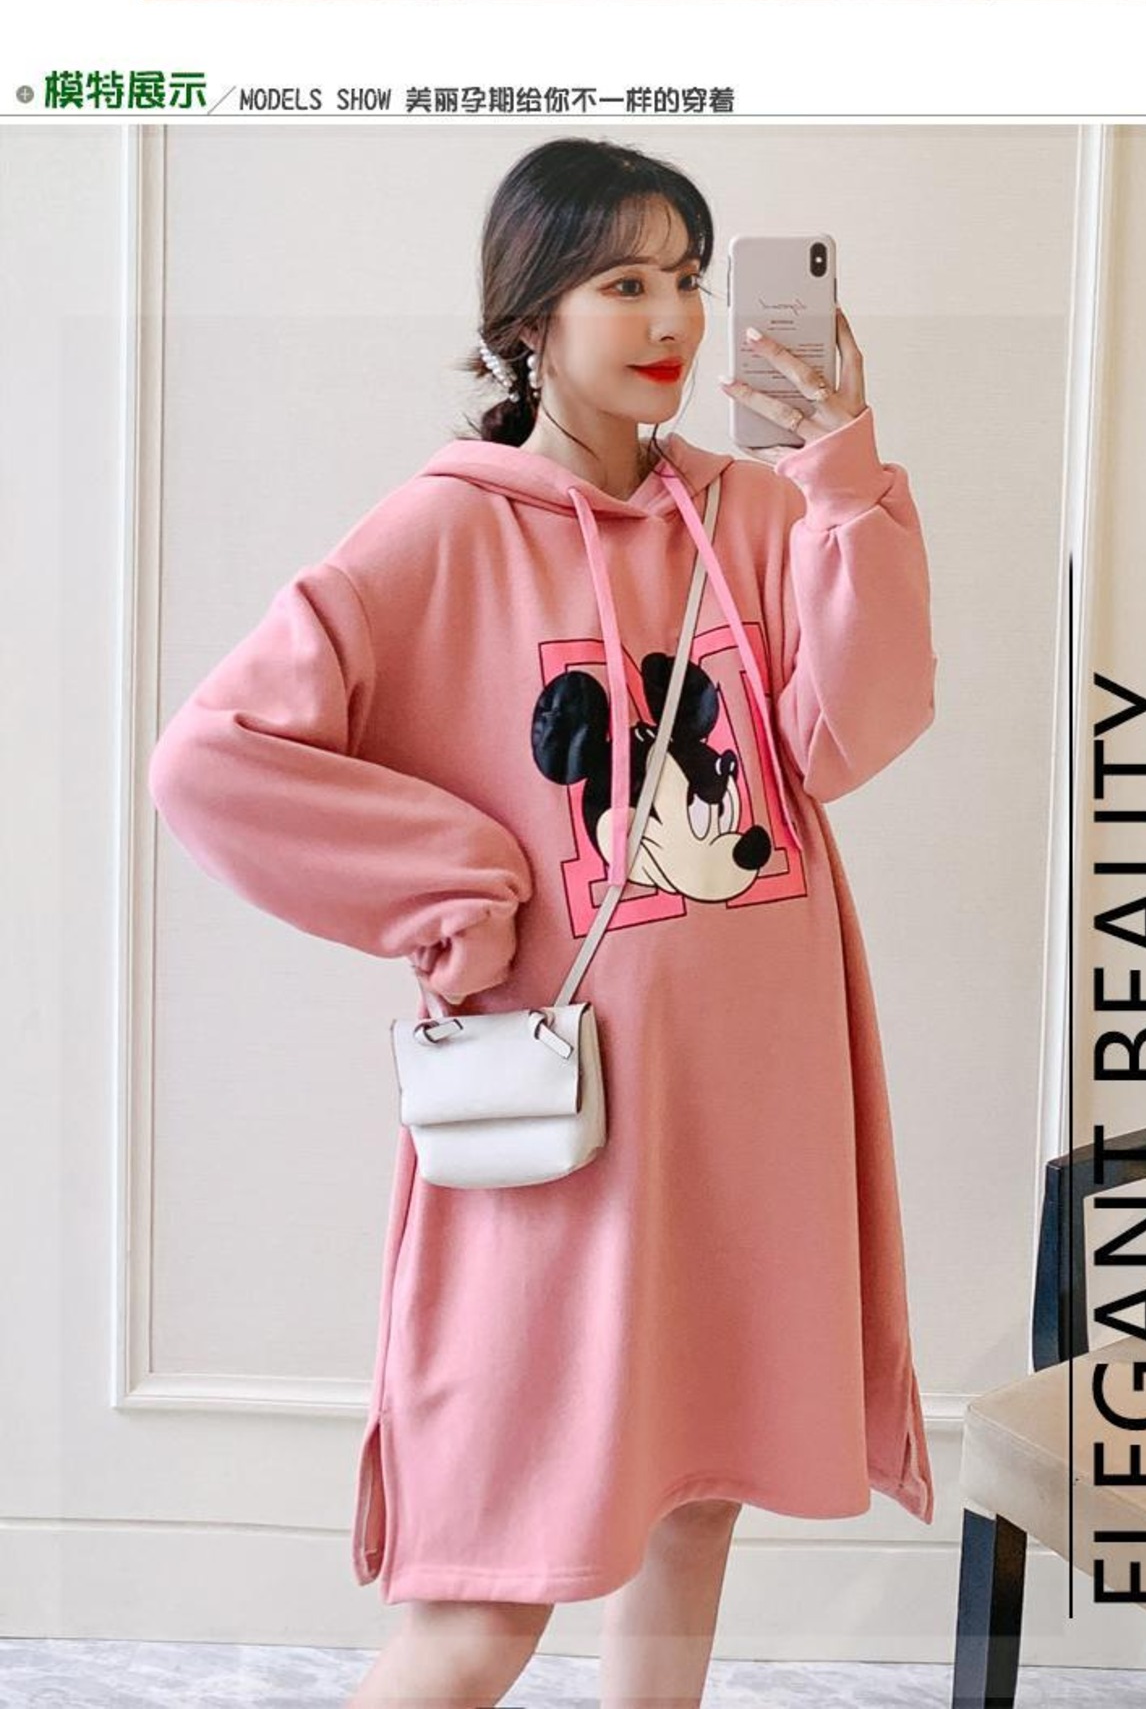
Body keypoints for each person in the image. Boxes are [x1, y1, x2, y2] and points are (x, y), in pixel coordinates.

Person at [148, 136, 936, 1709]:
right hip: (571, 1134)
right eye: (624, 280)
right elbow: (210, 761)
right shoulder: (439, 532)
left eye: (688, 277)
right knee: (489, 1597)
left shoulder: (759, 511)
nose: (675, 316)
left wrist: (841, 471)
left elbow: (858, 729)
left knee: (694, 1506)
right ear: (528, 317)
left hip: (754, 1102)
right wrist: (455, 878)